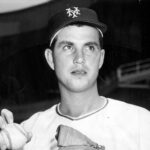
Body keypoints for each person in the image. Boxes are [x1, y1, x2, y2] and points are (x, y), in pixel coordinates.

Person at [0, 6, 150, 150]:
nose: (80, 58)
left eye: (90, 47)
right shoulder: (29, 130)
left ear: (101, 58)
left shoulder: (141, 122)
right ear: (51, 58)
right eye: (68, 47)